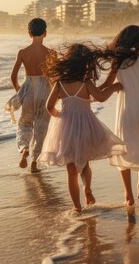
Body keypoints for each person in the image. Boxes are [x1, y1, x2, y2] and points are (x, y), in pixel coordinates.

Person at [38, 43, 125, 212]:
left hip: (66, 128)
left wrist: (59, 116)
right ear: (84, 64)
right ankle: (87, 189)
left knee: (71, 170)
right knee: (84, 163)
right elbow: (100, 97)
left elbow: (48, 107)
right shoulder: (85, 82)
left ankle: (77, 207)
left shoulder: (60, 83)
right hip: (86, 126)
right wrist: (114, 87)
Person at [99, 25, 139, 206]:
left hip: (128, 110)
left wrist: (88, 91)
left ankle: (128, 196)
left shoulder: (118, 63)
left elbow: (106, 85)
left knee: (124, 150)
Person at [8, 18, 51, 173]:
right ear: (45, 33)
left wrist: (20, 92)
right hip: (45, 90)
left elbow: (13, 77)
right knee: (41, 126)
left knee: (25, 124)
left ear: (29, 33)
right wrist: (55, 95)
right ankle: (34, 162)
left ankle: (25, 148)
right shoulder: (51, 53)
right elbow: (55, 77)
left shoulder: (23, 52)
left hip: (28, 90)